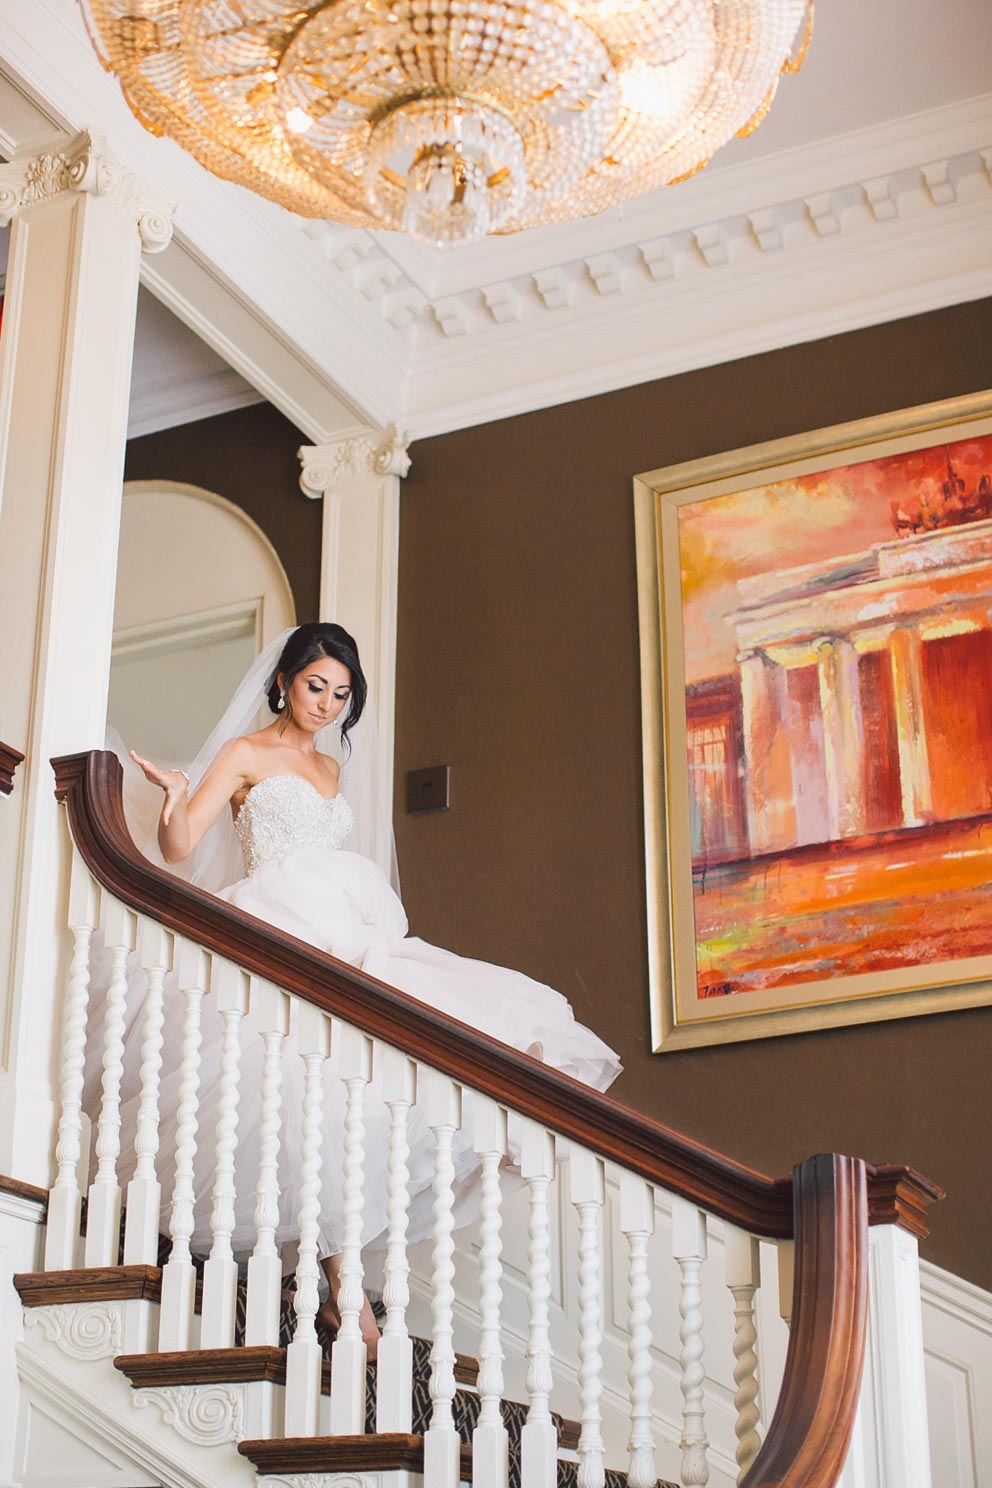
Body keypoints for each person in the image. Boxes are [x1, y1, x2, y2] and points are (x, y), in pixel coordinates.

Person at [127, 622, 622, 1356]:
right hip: (279, 925)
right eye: (314, 686)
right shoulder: (244, 754)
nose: (326, 704)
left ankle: (337, 1281)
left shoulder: (330, 771)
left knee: (383, 1078)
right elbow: (178, 848)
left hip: (350, 924)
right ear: (283, 682)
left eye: (341, 693)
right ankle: (346, 1292)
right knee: (307, 1094)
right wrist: (174, 796)